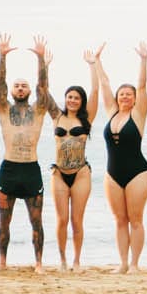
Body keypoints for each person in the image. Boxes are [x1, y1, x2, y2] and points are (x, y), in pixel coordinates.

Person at [0, 34, 56, 272]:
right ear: (12, 90)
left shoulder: (39, 109)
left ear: (29, 90)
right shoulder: (3, 108)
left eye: (23, 85)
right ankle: (2, 262)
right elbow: (0, 83)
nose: (20, 88)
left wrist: (40, 59)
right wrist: (2, 55)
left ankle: (38, 263)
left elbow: (44, 87)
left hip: (30, 168)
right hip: (9, 168)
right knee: (3, 220)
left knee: (36, 220)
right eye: (17, 85)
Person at [49, 45, 104, 270]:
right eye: (69, 97)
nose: (72, 100)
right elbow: (43, 92)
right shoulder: (56, 117)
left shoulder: (86, 119)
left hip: (81, 173)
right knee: (61, 220)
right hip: (59, 173)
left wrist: (93, 65)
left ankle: (77, 260)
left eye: (76, 98)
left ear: (81, 102)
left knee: (76, 221)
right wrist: (45, 64)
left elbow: (95, 92)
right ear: (65, 99)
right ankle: (62, 260)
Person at [101, 45, 147, 273]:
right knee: (120, 220)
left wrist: (143, 60)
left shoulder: (138, 114)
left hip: (137, 173)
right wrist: (96, 62)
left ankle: (134, 264)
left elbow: (142, 86)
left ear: (134, 99)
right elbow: (104, 84)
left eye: (129, 94)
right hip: (112, 174)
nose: (125, 96)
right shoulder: (111, 112)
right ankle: (122, 263)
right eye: (121, 93)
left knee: (136, 219)